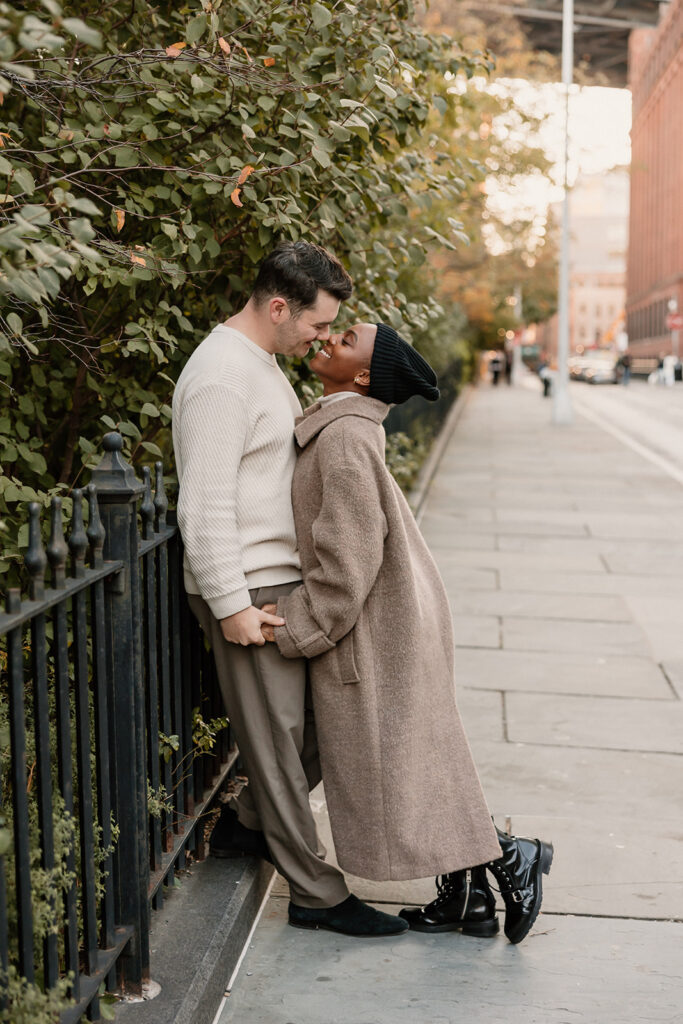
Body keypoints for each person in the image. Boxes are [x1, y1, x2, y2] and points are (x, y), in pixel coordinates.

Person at [261, 323, 553, 944]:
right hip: (393, 620)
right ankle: (467, 901)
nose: (331, 338)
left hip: (374, 632)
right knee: (416, 761)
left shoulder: (343, 439)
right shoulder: (344, 427)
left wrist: (293, 626)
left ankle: (508, 855)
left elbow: (347, 566)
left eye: (347, 339)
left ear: (363, 376)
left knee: (400, 772)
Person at [172, 242, 411, 938]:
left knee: (320, 731)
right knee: (278, 746)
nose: (322, 337)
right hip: (249, 587)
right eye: (315, 323)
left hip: (281, 582)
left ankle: (247, 827)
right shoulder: (221, 377)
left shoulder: (261, 364)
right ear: (279, 307)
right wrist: (231, 607)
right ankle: (314, 892)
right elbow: (203, 505)